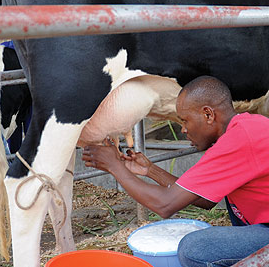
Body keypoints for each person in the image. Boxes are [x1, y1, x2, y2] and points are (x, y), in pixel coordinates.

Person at [82, 75, 269, 267]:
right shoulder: (242, 130)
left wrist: (114, 166)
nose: (183, 130)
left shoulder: (240, 139)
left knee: (195, 248)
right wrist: (151, 170)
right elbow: (204, 200)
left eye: (185, 120)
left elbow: (165, 205)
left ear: (208, 115)